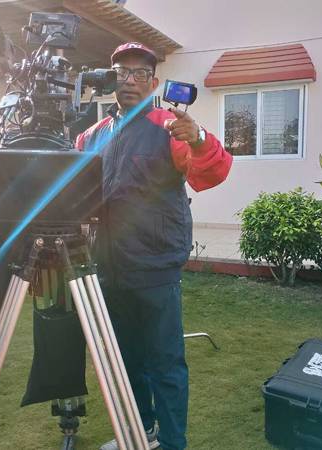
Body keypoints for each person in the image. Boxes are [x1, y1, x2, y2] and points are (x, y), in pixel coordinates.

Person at [75, 42, 233, 450]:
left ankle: (173, 443)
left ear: (154, 82)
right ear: (111, 79)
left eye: (139, 73)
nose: (129, 80)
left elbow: (212, 171)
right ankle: (140, 432)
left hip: (155, 267)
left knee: (164, 362)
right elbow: (74, 191)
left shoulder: (169, 127)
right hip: (108, 266)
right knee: (125, 358)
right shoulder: (93, 135)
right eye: (121, 73)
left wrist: (198, 138)